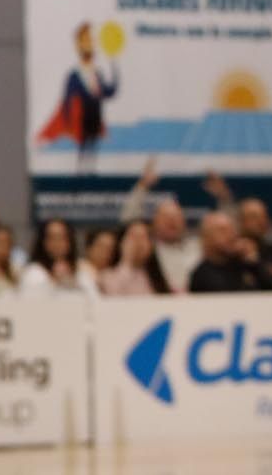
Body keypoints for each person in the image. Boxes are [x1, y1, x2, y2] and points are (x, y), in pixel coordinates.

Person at [119, 159, 231, 293]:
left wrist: (224, 198)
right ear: (154, 224)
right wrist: (142, 187)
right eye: (166, 218)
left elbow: (227, 230)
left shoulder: (199, 246)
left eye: (176, 218)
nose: (172, 222)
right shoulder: (150, 250)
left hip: (201, 302)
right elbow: (129, 222)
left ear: (184, 222)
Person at [34, 21, 117, 170]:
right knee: (83, 154)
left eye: (92, 40)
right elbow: (66, 103)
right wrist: (69, 123)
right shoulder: (74, 75)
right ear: (79, 45)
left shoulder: (97, 74)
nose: (90, 44)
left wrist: (113, 64)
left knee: (92, 155)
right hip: (82, 123)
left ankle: (89, 175)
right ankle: (80, 175)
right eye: (86, 40)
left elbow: (110, 91)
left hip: (95, 121)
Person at [188, 211, 272, 293]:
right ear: (206, 239)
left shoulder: (246, 264)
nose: (231, 235)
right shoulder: (201, 275)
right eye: (222, 231)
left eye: (232, 229)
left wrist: (253, 260)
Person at [19, 217, 92, 298]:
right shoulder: (33, 272)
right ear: (43, 242)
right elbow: (28, 302)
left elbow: (92, 300)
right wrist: (54, 282)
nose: (57, 243)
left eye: (62, 237)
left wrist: (72, 282)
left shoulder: (81, 270)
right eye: (52, 238)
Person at [98, 220, 169, 297]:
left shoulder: (158, 278)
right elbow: (114, 296)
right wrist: (127, 260)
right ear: (121, 243)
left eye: (143, 237)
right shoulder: (107, 276)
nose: (138, 242)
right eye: (133, 236)